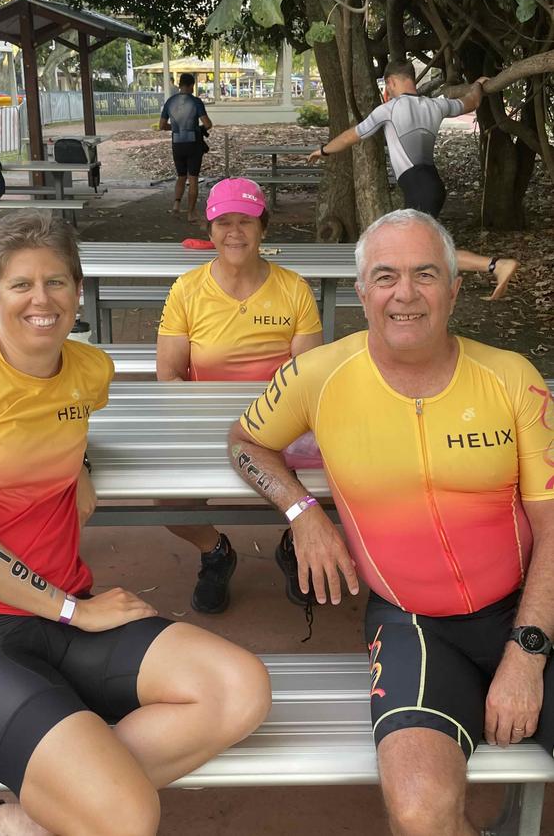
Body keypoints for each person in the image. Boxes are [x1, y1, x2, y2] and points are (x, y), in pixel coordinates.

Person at [0, 212, 271, 836]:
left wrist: (81, 463)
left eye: (56, 282)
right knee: (127, 817)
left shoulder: (88, 370)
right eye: (20, 285)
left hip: (65, 610)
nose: (40, 300)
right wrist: (73, 611)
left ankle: (16, 818)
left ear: (77, 290)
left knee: (239, 689)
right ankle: (79, 787)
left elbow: (57, 418)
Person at [228, 208, 554, 836]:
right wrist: (303, 513)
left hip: (527, 607)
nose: (405, 294)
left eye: (425, 274)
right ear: (360, 292)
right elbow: (246, 442)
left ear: (455, 288)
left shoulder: (511, 377)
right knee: (419, 813)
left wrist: (527, 652)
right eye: (386, 276)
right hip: (413, 623)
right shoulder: (319, 374)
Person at [157, 177, 324, 613]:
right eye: (223, 222)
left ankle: (294, 542)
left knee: (339, 474)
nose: (235, 232)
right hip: (205, 418)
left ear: (263, 227)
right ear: (209, 230)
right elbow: (170, 375)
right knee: (166, 497)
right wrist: (202, 417)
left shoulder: (294, 289)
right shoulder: (186, 291)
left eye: (245, 221)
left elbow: (307, 377)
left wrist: (275, 422)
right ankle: (215, 551)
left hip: (279, 421)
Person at [308, 60, 518, 300]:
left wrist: (323, 150)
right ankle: (422, 290)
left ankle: (496, 265)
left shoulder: (387, 110)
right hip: (431, 184)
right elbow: (472, 102)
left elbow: (351, 136)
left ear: (391, 82)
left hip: (418, 186)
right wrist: (478, 85)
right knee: (417, 248)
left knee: (428, 250)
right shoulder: (436, 105)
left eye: (387, 87)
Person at [159, 73, 212, 222]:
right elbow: (208, 124)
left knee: (181, 176)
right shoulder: (196, 102)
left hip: (177, 143)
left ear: (179, 84)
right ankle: (191, 212)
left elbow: (161, 125)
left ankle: (176, 204)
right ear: (190, 86)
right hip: (193, 143)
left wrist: (176, 127)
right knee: (193, 178)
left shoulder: (170, 102)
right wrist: (198, 128)